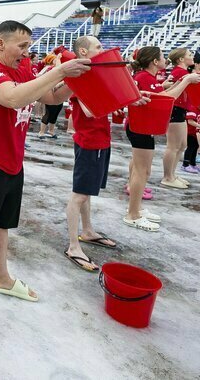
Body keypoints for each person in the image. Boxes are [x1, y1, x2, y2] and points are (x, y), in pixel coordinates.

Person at [0, 20, 91, 343]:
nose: (26, 53)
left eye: (29, 47)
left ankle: (2, 278)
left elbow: (52, 97)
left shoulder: (25, 69)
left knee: (2, 227)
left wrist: (77, 80)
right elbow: (13, 98)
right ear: (0, 44)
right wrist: (59, 71)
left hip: (12, 163)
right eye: (22, 47)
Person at [63, 36, 148, 272]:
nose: (103, 50)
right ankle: (72, 245)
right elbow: (90, 111)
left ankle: (87, 231)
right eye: (98, 47)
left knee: (87, 192)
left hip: (101, 141)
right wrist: (122, 100)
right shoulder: (80, 77)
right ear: (82, 51)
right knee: (79, 195)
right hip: (89, 142)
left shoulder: (96, 75)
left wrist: (133, 98)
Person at [124, 46, 200, 231]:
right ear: (154, 61)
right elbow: (165, 98)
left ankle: (135, 209)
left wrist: (184, 80)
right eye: (162, 57)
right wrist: (186, 81)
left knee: (142, 171)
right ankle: (133, 214)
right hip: (139, 127)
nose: (165, 60)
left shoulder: (149, 77)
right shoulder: (143, 77)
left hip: (144, 126)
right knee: (141, 171)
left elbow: (161, 95)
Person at [161, 47, 195, 189]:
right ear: (181, 59)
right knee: (173, 146)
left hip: (180, 109)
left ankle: (172, 174)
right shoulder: (180, 72)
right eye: (189, 54)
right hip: (175, 109)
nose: (192, 56)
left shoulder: (183, 72)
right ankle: (168, 176)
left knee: (181, 145)